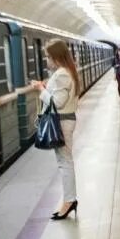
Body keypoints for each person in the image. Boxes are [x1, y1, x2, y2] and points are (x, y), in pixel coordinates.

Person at [31, 39, 81, 220]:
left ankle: (69, 201)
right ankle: (69, 200)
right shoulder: (66, 72)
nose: (47, 60)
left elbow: (57, 102)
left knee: (65, 163)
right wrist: (45, 87)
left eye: (48, 56)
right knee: (64, 162)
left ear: (56, 57)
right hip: (65, 120)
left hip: (62, 122)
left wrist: (40, 90)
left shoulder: (62, 74)